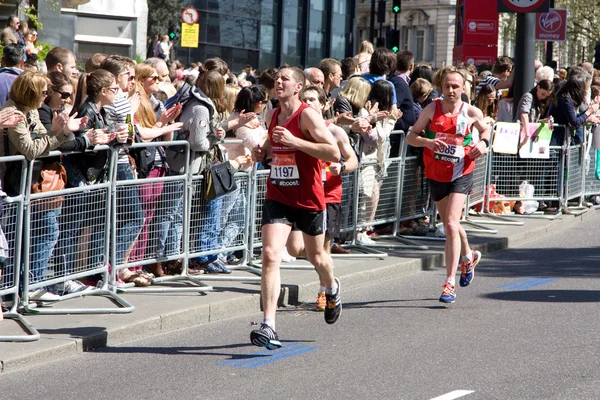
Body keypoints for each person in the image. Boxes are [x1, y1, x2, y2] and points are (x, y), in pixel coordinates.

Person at [250, 66, 342, 349]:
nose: (278, 82)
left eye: (284, 79)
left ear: (297, 87)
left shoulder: (307, 115)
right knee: (269, 254)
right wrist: (262, 151)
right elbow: (271, 141)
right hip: (278, 194)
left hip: (309, 198)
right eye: (276, 79)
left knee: (317, 258)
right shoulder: (272, 113)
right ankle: (268, 325)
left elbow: (333, 152)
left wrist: (296, 142)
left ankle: (332, 288)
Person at [406, 67, 491, 304]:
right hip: (436, 172)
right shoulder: (432, 109)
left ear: (464, 88)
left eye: (455, 86)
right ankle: (469, 254)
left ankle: (449, 282)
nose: (451, 90)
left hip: (462, 171)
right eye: (447, 86)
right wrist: (427, 141)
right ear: (441, 88)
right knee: (450, 224)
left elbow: (486, 132)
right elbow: (410, 136)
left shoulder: (472, 111)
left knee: (452, 224)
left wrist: (482, 145)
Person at [286, 84, 359, 310]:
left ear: (324, 104)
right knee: (294, 248)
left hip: (328, 197)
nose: (308, 103)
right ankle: (330, 281)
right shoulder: (298, 129)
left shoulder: (335, 131)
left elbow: (353, 160)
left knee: (322, 249)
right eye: (304, 99)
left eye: (313, 100)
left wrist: (342, 167)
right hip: (303, 194)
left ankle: (323, 290)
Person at [1, 71, 72, 302]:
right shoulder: (12, 112)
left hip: (26, 181)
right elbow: (30, 150)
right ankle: (14, 291)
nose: (46, 95)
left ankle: (26, 287)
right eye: (43, 92)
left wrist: (56, 134)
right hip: (12, 182)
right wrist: (56, 134)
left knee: (28, 235)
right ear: (31, 92)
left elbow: (42, 141)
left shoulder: (31, 111)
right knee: (14, 239)